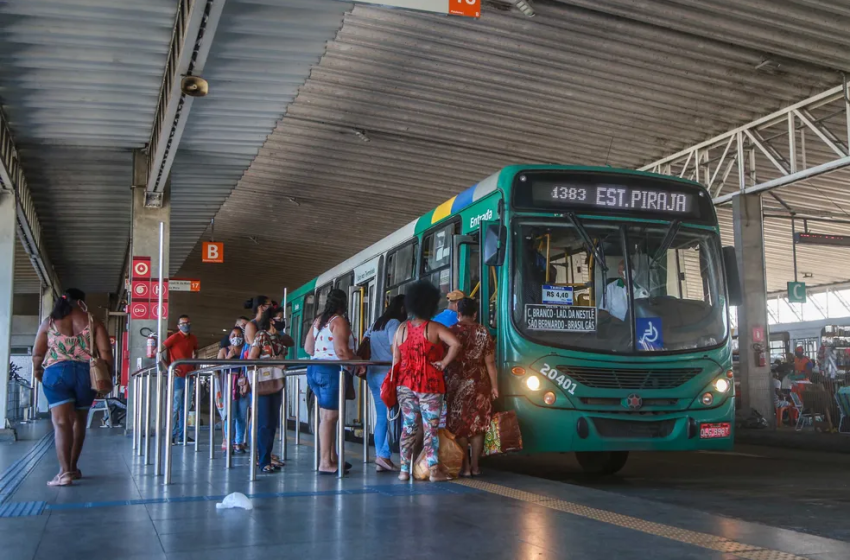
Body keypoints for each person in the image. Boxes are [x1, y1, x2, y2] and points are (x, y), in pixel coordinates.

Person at [32, 289, 113, 486]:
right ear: (81, 302)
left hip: (56, 373)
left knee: (61, 423)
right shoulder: (93, 320)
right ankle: (73, 468)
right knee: (79, 422)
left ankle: (64, 472)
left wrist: (37, 371)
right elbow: (105, 352)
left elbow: (37, 353)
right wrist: (106, 375)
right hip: (86, 374)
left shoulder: (49, 322)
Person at [393, 280, 461, 482]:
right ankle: (434, 471)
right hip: (430, 383)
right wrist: (444, 363)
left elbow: (395, 360)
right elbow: (456, 343)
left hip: (405, 383)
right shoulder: (435, 328)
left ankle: (404, 470)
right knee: (430, 429)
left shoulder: (401, 329)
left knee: (408, 427)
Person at [305, 289, 356, 475]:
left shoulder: (319, 321)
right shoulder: (339, 321)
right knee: (330, 417)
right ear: (343, 303)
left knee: (326, 416)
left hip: (314, 371)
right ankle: (325, 462)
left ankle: (332, 457)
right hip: (331, 372)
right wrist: (358, 360)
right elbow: (342, 352)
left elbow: (308, 348)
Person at [445, 298, 498, 477]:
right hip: (479, 384)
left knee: (459, 426)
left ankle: (465, 467)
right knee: (477, 425)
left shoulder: (450, 332)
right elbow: (490, 363)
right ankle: (476, 466)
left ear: (458, 314)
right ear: (475, 314)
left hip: (456, 384)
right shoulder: (484, 332)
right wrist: (494, 386)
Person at [365, 295, 407, 472]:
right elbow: (394, 348)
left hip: (372, 374)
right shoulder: (394, 323)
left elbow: (365, 343)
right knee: (393, 417)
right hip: (387, 376)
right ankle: (384, 455)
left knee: (382, 416)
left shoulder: (376, 323)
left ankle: (380, 458)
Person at [248, 304, 291, 472]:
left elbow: (291, 342)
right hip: (264, 383)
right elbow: (252, 359)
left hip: (277, 381)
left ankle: (267, 457)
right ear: (271, 320)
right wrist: (275, 360)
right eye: (280, 319)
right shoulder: (260, 336)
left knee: (272, 423)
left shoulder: (279, 338)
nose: (282, 321)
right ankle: (263, 460)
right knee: (264, 423)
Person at [162, 315, 199, 444]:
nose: (186, 325)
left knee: (186, 407)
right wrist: (169, 368)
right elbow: (158, 351)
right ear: (178, 326)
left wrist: (195, 367)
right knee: (175, 406)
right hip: (177, 377)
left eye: (188, 322)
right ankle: (171, 435)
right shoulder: (174, 337)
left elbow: (196, 351)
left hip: (189, 376)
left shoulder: (193, 338)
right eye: (183, 323)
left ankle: (183, 435)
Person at [220, 326, 248, 453]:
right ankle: (229, 441)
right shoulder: (224, 351)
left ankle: (239, 442)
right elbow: (217, 369)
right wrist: (228, 359)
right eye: (233, 335)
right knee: (230, 416)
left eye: (239, 335)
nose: (236, 338)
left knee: (241, 416)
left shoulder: (245, 350)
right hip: (229, 387)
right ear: (229, 338)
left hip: (243, 386)